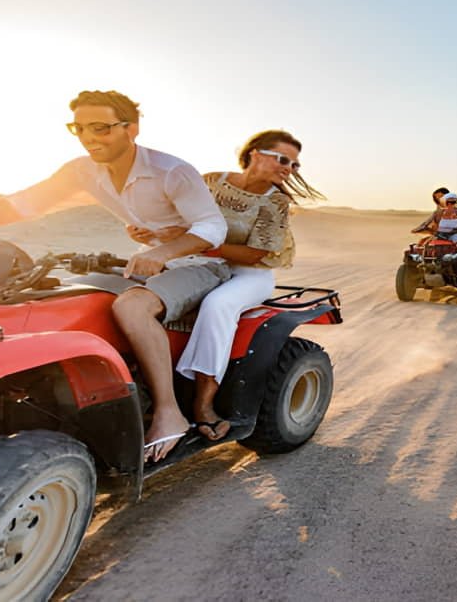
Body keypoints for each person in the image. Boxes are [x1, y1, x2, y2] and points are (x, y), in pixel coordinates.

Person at [0, 90, 227, 462]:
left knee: (132, 308)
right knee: (62, 300)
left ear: (132, 128)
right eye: (79, 128)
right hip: (146, 258)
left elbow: (212, 227)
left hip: (199, 262)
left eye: (100, 127)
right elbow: (19, 204)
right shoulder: (82, 170)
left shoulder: (171, 171)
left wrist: (164, 252)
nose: (88, 137)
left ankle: (169, 412)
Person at [130, 130, 323, 441]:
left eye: (295, 165)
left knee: (218, 305)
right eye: (283, 159)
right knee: (128, 281)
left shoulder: (276, 202)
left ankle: (203, 401)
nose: (289, 168)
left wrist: (200, 245)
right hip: (198, 262)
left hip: (249, 272)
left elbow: (256, 253)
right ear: (255, 154)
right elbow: (179, 222)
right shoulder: (209, 181)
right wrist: (150, 234)